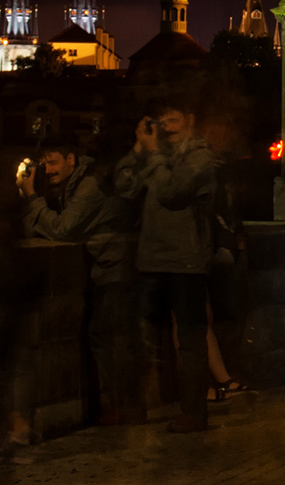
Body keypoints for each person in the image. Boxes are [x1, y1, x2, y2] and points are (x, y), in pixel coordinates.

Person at [18, 137, 142, 424]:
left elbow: (61, 229)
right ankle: (122, 406)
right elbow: (35, 228)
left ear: (71, 160)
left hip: (115, 267)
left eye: (54, 162)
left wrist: (33, 200)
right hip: (106, 267)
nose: (48, 170)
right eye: (44, 163)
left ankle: (126, 408)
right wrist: (36, 201)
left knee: (112, 339)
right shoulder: (69, 186)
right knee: (106, 336)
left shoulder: (88, 186)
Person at [115, 98, 218, 433]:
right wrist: (137, 150)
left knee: (189, 340)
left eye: (172, 122)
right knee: (141, 338)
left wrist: (153, 155)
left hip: (187, 261)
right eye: (160, 123)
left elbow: (172, 191)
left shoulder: (201, 156)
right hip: (151, 259)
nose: (166, 129)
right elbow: (124, 188)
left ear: (189, 120)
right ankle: (134, 408)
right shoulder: (154, 153)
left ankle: (194, 412)